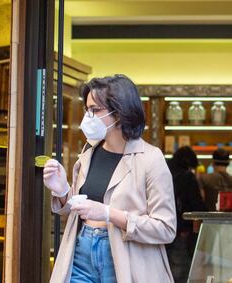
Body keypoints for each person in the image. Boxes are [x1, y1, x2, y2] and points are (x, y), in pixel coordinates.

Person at [43, 74, 176, 283]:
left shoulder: (151, 159)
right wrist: (61, 191)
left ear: (120, 113)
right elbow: (79, 209)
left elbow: (165, 228)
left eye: (95, 110)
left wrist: (108, 213)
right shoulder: (88, 154)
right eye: (88, 109)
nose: (88, 117)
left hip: (126, 260)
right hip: (81, 252)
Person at [166, 146, 205, 283]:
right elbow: (197, 205)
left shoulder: (162, 170)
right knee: (179, 270)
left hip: (158, 230)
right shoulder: (187, 177)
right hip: (180, 230)